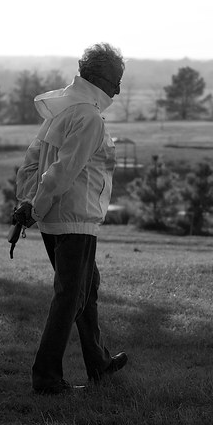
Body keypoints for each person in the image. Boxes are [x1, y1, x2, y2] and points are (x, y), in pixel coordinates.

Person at [13, 43, 129, 395]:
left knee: (86, 288)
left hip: (55, 219)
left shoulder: (60, 113)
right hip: (75, 220)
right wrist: (34, 207)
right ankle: (46, 377)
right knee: (71, 297)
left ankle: (99, 363)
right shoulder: (89, 117)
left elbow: (31, 164)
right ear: (100, 78)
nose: (118, 90)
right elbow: (63, 173)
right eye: (116, 81)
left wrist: (29, 202)